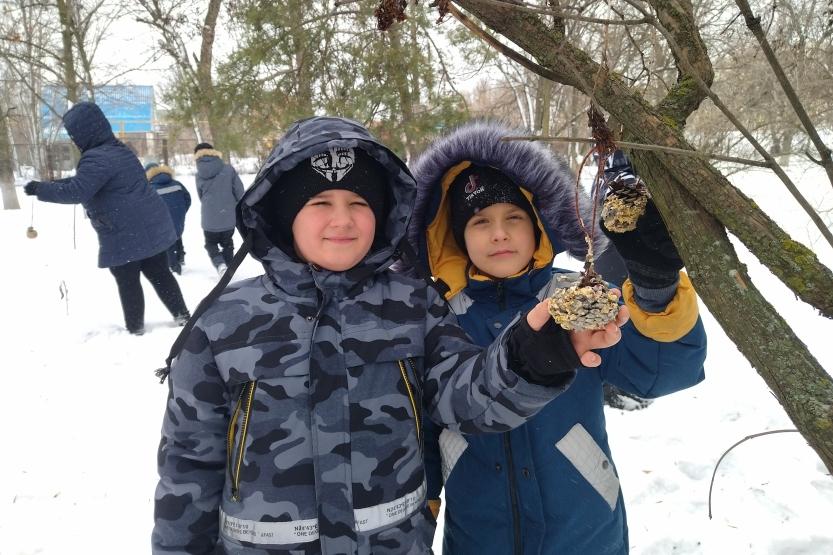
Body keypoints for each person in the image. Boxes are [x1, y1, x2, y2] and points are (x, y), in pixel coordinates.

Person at [151, 116, 630, 555]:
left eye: (359, 202)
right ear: (282, 213)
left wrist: (531, 354)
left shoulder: (413, 305)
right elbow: (189, 465)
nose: (342, 219)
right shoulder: (223, 322)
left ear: (382, 215)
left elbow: (466, 398)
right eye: (320, 203)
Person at [407, 121, 708, 555]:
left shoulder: (579, 299)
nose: (499, 233)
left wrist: (656, 286)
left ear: (539, 226)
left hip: (584, 534)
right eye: (480, 221)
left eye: (513, 217)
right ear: (454, 236)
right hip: (479, 537)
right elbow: (424, 438)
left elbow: (661, 373)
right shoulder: (438, 321)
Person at [24, 101, 189, 335]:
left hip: (125, 231)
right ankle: (184, 318)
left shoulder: (96, 158)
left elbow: (77, 191)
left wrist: (40, 190)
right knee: (160, 273)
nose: (73, 139)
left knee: (127, 280)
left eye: (74, 134)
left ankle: (136, 331)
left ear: (85, 132)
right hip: (151, 224)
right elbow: (87, 183)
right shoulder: (118, 150)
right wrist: (50, 185)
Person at [193, 142, 245, 274]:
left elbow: (201, 195)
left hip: (209, 217)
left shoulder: (199, 174)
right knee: (227, 243)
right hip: (228, 215)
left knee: (210, 243)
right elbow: (239, 191)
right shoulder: (228, 169)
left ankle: (220, 264)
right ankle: (229, 268)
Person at [145, 162, 191, 274]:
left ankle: (175, 268)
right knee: (177, 235)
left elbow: (147, 207)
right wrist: (181, 212)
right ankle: (180, 257)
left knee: (168, 243)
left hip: (162, 221)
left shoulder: (150, 188)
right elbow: (187, 198)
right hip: (178, 218)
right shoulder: (177, 183)